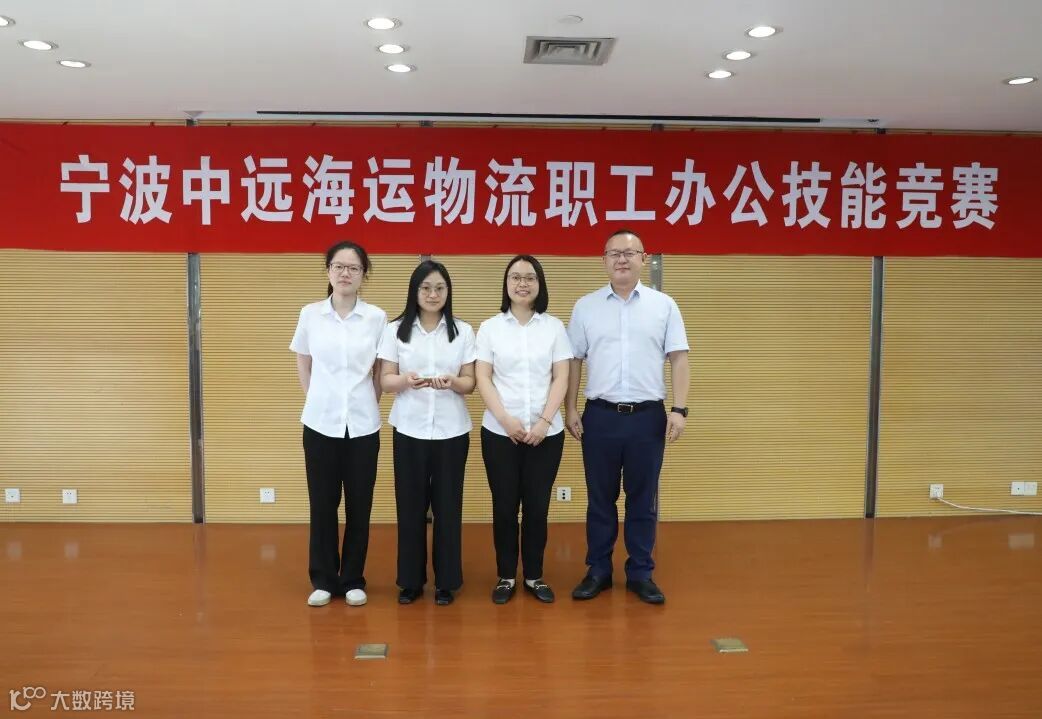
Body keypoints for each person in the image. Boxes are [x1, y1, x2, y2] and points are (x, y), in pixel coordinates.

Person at [565, 229, 690, 605]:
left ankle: (640, 573)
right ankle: (598, 571)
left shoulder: (664, 306)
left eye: (630, 253)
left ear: (644, 259)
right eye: (614, 253)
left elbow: (679, 358)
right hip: (600, 417)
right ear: (604, 260)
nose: (622, 259)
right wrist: (570, 408)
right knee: (599, 499)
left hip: (647, 418)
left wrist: (679, 409)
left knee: (643, 498)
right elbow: (574, 361)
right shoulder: (585, 307)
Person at [290, 241, 386, 608]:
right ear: (328, 270)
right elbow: (304, 362)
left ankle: (353, 579)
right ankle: (324, 579)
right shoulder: (310, 314)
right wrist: (315, 398)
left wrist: (369, 402)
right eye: (339, 266)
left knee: (360, 504)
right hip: (320, 423)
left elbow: (380, 370)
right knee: (323, 504)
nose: (345, 273)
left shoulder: (376, 318)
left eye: (353, 268)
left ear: (364, 274)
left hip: (363, 426)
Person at [475, 255, 573, 605]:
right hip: (500, 433)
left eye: (529, 277)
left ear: (539, 284)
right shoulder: (490, 328)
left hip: (546, 434)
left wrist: (545, 421)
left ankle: (533, 575)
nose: (522, 283)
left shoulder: (554, 328)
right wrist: (505, 419)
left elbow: (562, 376)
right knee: (504, 507)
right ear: (506, 284)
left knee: (537, 507)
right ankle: (505, 576)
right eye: (515, 277)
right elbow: (483, 377)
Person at [378, 260, 476, 606]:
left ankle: (446, 582)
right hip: (409, 429)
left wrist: (453, 382)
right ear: (414, 292)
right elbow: (385, 380)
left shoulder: (463, 331)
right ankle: (410, 581)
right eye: (426, 288)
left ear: (448, 292)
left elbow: (470, 382)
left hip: (452, 431)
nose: (433, 294)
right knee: (410, 507)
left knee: (448, 508)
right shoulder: (395, 330)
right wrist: (406, 380)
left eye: (440, 288)